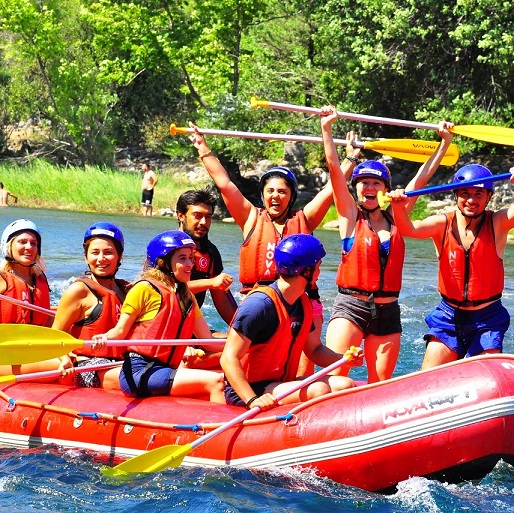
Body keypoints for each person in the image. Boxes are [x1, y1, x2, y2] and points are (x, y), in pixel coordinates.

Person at [320, 105, 454, 383]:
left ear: (384, 188)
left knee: (379, 383)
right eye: (364, 183)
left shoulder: (397, 217)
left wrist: (444, 144)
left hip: (388, 310)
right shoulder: (348, 215)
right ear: (355, 188)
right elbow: (334, 169)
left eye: (376, 183)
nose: (369, 187)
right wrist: (327, 129)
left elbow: (423, 177)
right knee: (336, 377)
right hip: (351, 307)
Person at [189, 123, 334, 376]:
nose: (275, 196)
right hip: (261, 303)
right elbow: (224, 183)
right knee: (253, 364)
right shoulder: (250, 218)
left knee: (302, 367)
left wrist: (351, 160)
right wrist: (203, 147)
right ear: (263, 194)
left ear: (291, 196)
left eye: (282, 191)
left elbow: (333, 190)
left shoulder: (305, 219)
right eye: (270, 191)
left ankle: (298, 402)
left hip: (302, 300)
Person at [389, 162, 514, 369]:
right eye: (465, 193)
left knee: (482, 375)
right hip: (448, 316)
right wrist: (398, 207)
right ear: (456, 194)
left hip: (488, 318)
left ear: (488, 197)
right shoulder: (441, 224)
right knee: (427, 378)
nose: (471, 200)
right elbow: (408, 229)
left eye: (479, 194)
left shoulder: (498, 223)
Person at [220, 233, 363, 411]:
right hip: (252, 389)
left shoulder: (303, 303)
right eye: (318, 267)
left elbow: (315, 350)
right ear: (307, 271)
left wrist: (343, 360)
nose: (319, 273)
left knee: (346, 384)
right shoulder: (259, 305)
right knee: (319, 390)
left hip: (280, 383)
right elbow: (228, 358)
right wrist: (252, 399)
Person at [92, 230, 226, 403]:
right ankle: (219, 428)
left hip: (165, 369)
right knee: (215, 381)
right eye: (182, 258)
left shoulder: (186, 297)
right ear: (164, 263)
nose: (190, 264)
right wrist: (104, 337)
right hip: (139, 372)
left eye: (191, 258)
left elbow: (208, 341)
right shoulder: (144, 289)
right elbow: (120, 331)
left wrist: (245, 344)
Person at [51, 222, 130, 389]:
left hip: (121, 364)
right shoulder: (79, 291)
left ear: (120, 256)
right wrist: (64, 358)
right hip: (89, 366)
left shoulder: (127, 290)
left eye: (108, 253)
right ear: (86, 257)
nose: (101, 259)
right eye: (95, 253)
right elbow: (55, 336)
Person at [176, 188, 238, 369]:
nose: (204, 222)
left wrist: (245, 329)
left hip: (192, 330)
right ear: (181, 216)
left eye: (208, 217)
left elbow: (223, 303)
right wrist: (211, 282)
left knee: (243, 345)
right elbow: (163, 290)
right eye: (197, 215)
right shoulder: (164, 247)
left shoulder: (211, 253)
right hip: (163, 331)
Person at [0, 219, 55, 378]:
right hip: (6, 355)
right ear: (9, 246)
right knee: (60, 365)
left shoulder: (41, 279)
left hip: (31, 351)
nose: (29, 247)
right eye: (22, 242)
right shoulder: (2, 279)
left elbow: (47, 321)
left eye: (33, 243)